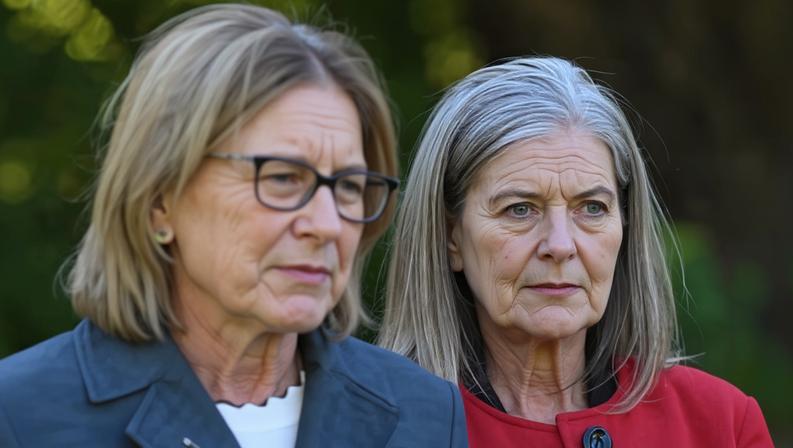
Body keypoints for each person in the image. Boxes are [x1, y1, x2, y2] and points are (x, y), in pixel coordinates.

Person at [0, 4, 467, 447]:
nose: (327, 225)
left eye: (348, 186)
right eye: (283, 178)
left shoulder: (423, 412)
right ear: (159, 199)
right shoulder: (22, 414)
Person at [379, 56, 774, 447]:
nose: (561, 245)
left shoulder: (719, 424)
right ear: (452, 237)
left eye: (592, 208)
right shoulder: (378, 429)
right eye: (520, 209)